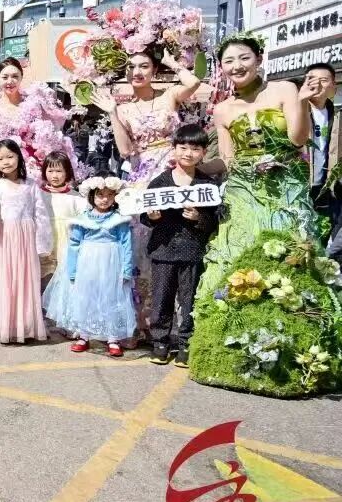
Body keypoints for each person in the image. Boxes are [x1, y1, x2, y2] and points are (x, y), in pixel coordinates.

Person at [187, 34, 336, 397]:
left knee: (288, 258)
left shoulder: (285, 89)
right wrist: (193, 166)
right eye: (228, 61)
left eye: (243, 58)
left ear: (258, 59)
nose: (236, 66)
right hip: (244, 193)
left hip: (285, 190)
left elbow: (298, 140)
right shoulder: (222, 109)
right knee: (237, 256)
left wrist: (302, 103)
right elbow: (229, 159)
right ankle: (235, 350)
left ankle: (294, 353)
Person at [88, 48, 203, 330]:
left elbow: (194, 83)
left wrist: (171, 62)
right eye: (131, 67)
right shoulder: (123, 108)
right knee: (143, 245)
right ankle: (142, 321)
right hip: (142, 177)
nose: (137, 72)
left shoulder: (169, 96)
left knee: (177, 237)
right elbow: (125, 150)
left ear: (154, 70)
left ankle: (176, 322)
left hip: (174, 172)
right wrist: (112, 112)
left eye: (144, 66)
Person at [0, 59, 79, 299]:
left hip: (30, 171)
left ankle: (33, 289)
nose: (10, 81)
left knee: (35, 223)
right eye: (5, 76)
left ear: (22, 78)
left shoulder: (33, 104)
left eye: (15, 76)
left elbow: (46, 137)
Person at [141, 124, 219, 366]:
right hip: (163, 250)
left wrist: (199, 218)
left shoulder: (207, 185)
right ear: (173, 149)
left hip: (192, 251)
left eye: (195, 149)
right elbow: (144, 215)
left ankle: (186, 343)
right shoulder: (160, 182)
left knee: (189, 300)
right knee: (161, 298)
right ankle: (160, 343)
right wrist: (153, 217)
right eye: (183, 147)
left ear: (204, 152)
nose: (188, 153)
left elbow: (216, 220)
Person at [44, 176, 137, 357]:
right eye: (100, 195)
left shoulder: (119, 219)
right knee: (86, 297)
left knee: (111, 298)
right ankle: (84, 335)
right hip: (87, 264)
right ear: (92, 196)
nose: (105, 199)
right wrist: (72, 270)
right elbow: (74, 245)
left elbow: (126, 245)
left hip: (111, 264)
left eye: (109, 195)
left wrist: (126, 269)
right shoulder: (82, 219)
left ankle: (112, 337)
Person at [0, 139, 52, 345]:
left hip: (25, 242)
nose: (6, 162)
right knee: (1, 280)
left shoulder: (31, 185)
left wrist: (42, 244)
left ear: (19, 157)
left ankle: (24, 326)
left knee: (24, 281)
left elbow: (41, 216)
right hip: (1, 240)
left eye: (10, 156)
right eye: (0, 159)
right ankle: (1, 325)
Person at [38, 151, 87, 290]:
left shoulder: (75, 197)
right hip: (45, 239)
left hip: (67, 241)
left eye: (59, 171)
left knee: (63, 276)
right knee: (44, 274)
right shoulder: (39, 194)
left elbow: (84, 219)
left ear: (67, 172)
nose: (54, 176)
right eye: (50, 171)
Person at [304, 63, 340, 232]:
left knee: (322, 233)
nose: (317, 84)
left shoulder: (336, 115)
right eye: (312, 80)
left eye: (324, 80)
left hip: (325, 188)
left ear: (333, 86)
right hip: (301, 184)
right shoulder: (296, 111)